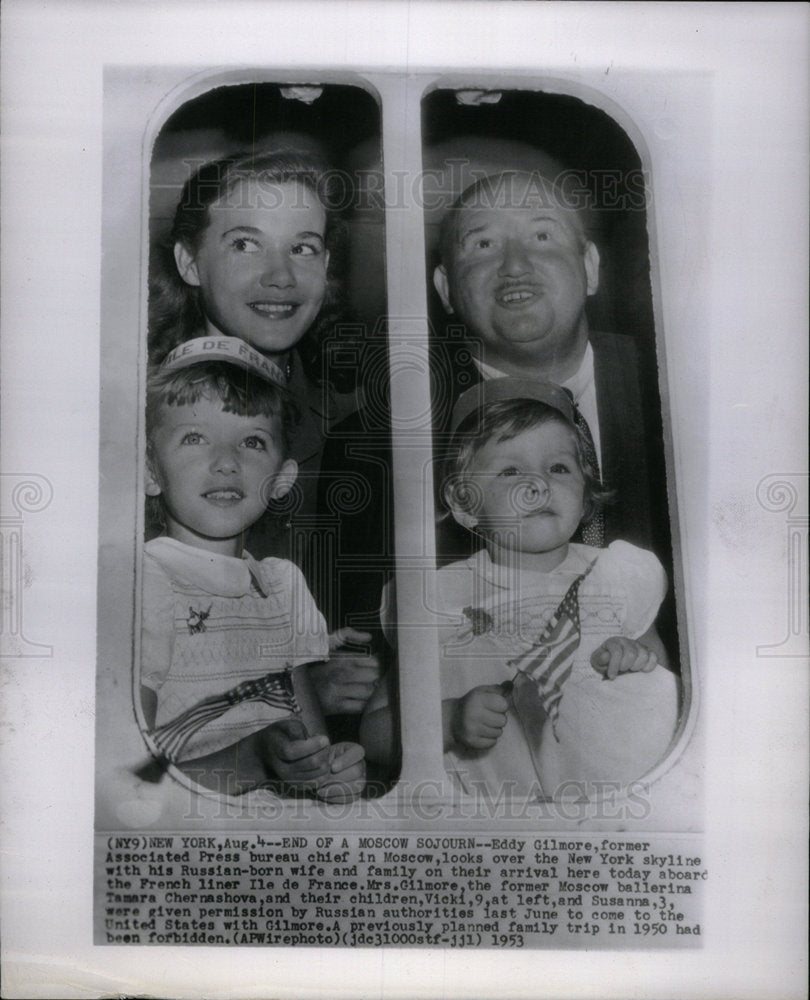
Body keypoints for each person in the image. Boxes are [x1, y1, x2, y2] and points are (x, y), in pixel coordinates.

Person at [148, 149, 382, 727]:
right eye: (245, 244)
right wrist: (290, 684)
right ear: (190, 261)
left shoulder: (358, 430)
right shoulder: (127, 417)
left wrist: (338, 667)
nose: (281, 276)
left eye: (302, 248)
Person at [361, 379, 679, 799]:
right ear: (464, 501)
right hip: (486, 820)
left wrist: (635, 657)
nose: (538, 484)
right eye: (511, 470)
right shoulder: (437, 597)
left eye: (559, 468)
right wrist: (450, 719)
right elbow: (374, 733)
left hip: (610, 807)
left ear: (585, 496)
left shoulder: (617, 575)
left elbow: (670, 696)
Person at [140, 336, 365, 801]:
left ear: (282, 480)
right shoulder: (146, 580)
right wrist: (257, 758)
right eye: (194, 438)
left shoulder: (281, 584)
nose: (225, 462)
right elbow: (129, 785)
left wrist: (330, 773)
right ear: (148, 471)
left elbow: (308, 748)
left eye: (252, 441)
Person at [431, 169, 670, 561]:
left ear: (590, 266)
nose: (515, 266)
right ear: (446, 289)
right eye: (484, 243)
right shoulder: (397, 438)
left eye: (542, 236)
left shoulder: (673, 390)